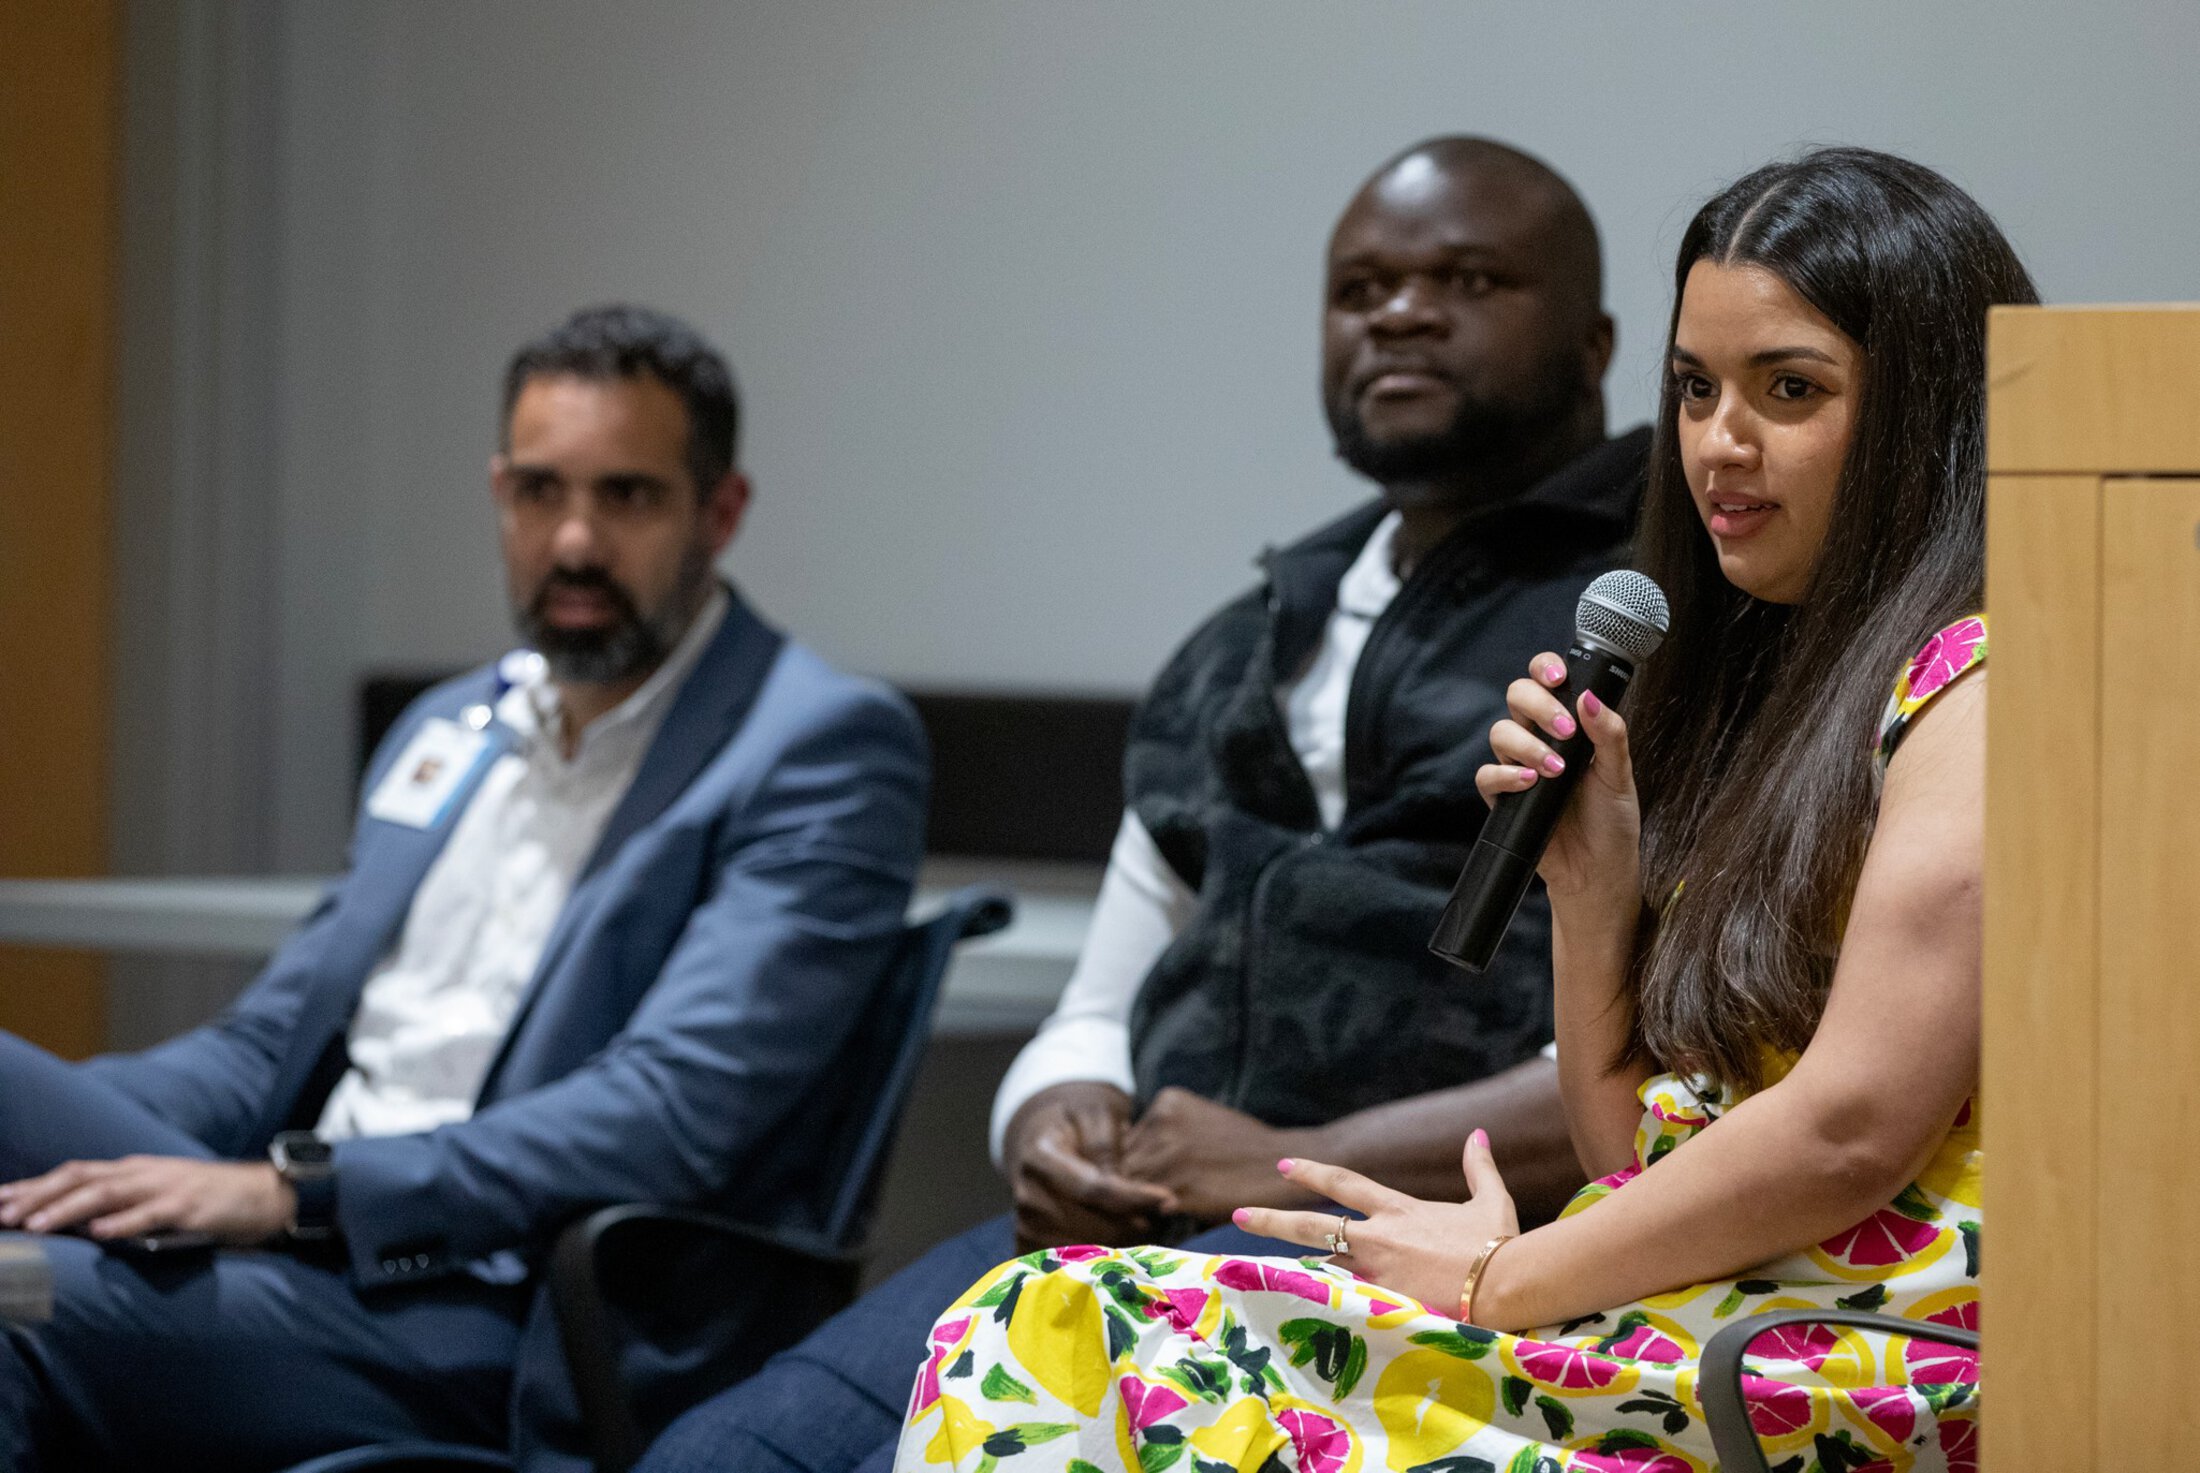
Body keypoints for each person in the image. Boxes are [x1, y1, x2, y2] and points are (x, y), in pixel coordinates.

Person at [891, 145, 2030, 1472]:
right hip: (1694, 1319)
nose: (1721, 441)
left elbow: (1846, 1131)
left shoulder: (1984, 676)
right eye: (1694, 388)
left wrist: (1504, 1278)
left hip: (1840, 1361)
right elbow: (1637, 1151)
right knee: (1050, 1324)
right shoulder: (1777, 695)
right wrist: (1592, 895)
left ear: (1925, 410)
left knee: (1059, 1339)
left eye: (1790, 389)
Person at [640, 137, 1646, 1473]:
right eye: (1360, 290)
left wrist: (1287, 1160)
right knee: (723, 1456)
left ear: (1594, 344)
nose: (1400, 314)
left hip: (1441, 1251)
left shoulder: (1648, 626)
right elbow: (1096, 1006)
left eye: (1467, 279)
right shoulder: (1244, 640)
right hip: (1131, 1225)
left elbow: (1657, 1064)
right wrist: (1050, 1126)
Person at [0, 305, 930, 1473]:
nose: (574, 541)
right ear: (499, 492)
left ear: (720, 511)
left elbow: (668, 1115)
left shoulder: (820, 745)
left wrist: (300, 1195)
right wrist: (49, 1152)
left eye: (627, 497)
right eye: (539, 492)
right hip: (308, 1225)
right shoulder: (454, 725)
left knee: (15, 1298)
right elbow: (269, 1045)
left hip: (487, 1303)